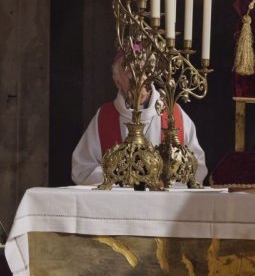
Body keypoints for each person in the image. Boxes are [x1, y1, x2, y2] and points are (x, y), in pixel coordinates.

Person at [72, 52, 207, 185]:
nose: (138, 77)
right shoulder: (104, 117)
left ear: (153, 75)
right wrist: (123, 175)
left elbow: (198, 167)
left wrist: (165, 179)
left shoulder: (174, 114)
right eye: (129, 70)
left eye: (145, 70)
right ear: (117, 81)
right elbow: (82, 171)